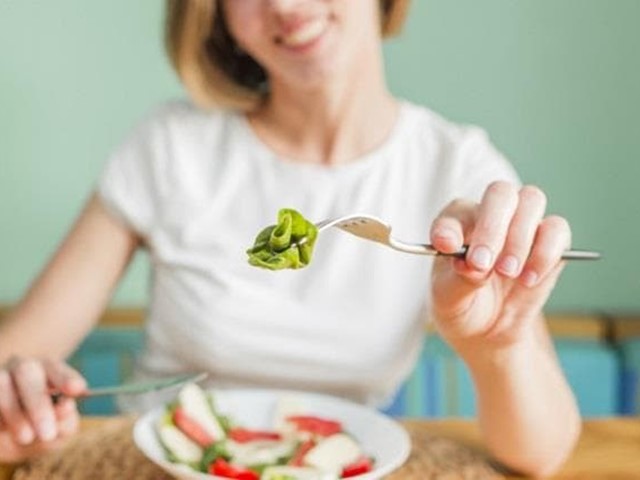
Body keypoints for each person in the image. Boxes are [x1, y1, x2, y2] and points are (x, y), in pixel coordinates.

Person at [0, 0, 580, 475]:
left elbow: (542, 454)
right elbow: (17, 356)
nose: (283, 5)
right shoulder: (170, 146)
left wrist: (498, 342)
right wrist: (17, 398)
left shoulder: (456, 166)